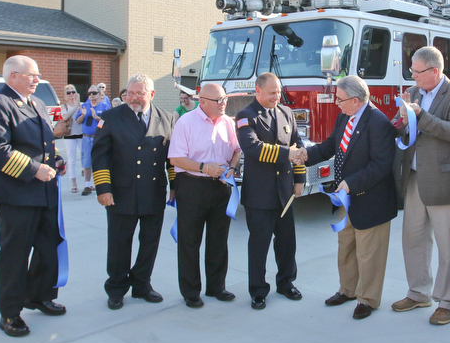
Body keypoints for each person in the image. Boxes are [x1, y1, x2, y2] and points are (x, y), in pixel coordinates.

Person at [0, 55, 67, 338]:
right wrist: (34, 169)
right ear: (12, 76)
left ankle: (38, 296)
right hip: (16, 196)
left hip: (43, 192)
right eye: (31, 75)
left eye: (37, 75)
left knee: (47, 249)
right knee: (15, 256)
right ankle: (10, 313)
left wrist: (55, 161)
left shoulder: (37, 104)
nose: (36, 79)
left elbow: (43, 144)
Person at [300, 75, 397, 320]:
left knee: (368, 253)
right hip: (345, 199)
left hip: (369, 198)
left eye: (340, 99)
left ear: (355, 100)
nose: (336, 103)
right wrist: (304, 155)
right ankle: (348, 290)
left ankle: (368, 299)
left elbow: (381, 165)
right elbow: (331, 145)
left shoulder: (378, 122)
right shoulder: (346, 116)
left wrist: (350, 184)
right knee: (346, 248)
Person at [391, 46, 450, 326]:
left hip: (444, 179)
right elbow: (404, 127)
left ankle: (448, 301)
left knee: (448, 244)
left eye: (416, 71)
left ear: (434, 71)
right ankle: (418, 292)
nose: (412, 76)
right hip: (414, 178)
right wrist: (402, 119)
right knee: (413, 239)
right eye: (411, 70)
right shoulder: (414, 94)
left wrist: (419, 116)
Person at [91, 74, 176, 310]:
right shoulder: (110, 118)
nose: (134, 98)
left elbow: (172, 158)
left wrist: (174, 186)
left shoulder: (167, 118)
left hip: (153, 191)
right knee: (119, 243)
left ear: (152, 94)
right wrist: (103, 188)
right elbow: (100, 157)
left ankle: (142, 284)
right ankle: (116, 288)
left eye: (140, 93)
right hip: (121, 193)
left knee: (150, 242)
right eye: (130, 92)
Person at [236, 72, 306, 310]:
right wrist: (287, 154)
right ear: (258, 91)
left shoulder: (286, 113)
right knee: (259, 245)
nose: (277, 96)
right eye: (272, 93)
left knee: (287, 243)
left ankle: (286, 283)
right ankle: (257, 290)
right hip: (260, 195)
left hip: (284, 192)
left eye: (278, 92)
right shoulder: (246, 116)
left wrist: (300, 178)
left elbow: (298, 144)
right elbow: (252, 148)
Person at [168, 83, 240, 308]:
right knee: (190, 241)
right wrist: (203, 167)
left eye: (225, 99)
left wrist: (232, 168)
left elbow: (236, 151)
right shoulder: (186, 122)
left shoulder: (228, 122)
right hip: (192, 186)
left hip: (221, 187)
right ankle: (191, 291)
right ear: (203, 101)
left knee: (219, 240)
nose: (224, 104)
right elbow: (176, 159)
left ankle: (216, 286)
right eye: (219, 100)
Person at [76, 85, 110, 196]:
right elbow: (78, 121)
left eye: (94, 93)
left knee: (100, 161)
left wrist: (97, 118)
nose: (91, 96)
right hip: (86, 138)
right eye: (89, 93)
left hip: (99, 138)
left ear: (99, 94)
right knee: (86, 162)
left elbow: (107, 123)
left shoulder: (104, 106)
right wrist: (83, 115)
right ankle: (87, 185)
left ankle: (100, 185)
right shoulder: (83, 106)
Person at [60, 85, 82, 193]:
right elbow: (65, 117)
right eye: (68, 93)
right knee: (71, 160)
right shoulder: (64, 106)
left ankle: (88, 183)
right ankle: (74, 184)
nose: (71, 94)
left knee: (86, 158)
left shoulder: (81, 105)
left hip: (82, 134)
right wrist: (75, 107)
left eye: (73, 92)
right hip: (69, 136)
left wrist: (78, 104)